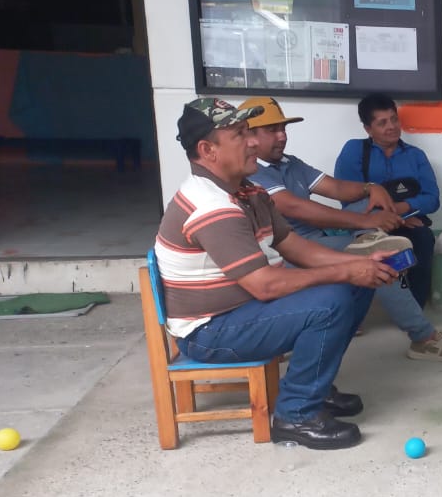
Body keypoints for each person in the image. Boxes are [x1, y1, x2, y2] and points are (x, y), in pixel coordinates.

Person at [155, 98, 402, 449]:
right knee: (331, 301)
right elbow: (265, 285)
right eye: (240, 135)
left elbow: (294, 246)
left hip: (243, 310)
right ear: (208, 150)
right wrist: (345, 273)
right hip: (211, 331)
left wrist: (357, 266)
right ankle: (296, 415)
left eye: (249, 132)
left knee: (358, 285)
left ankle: (315, 386)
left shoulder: (248, 192)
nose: (253, 142)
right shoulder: (211, 205)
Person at [242, 97, 442, 363]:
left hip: (321, 241)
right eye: (272, 130)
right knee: (382, 258)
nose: (282, 136)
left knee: (376, 215)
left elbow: (337, 188)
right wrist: (365, 222)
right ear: (248, 136)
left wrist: (371, 188)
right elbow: (296, 208)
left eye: (283, 128)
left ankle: (369, 243)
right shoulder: (251, 171)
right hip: (289, 253)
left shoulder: (290, 163)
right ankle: (423, 337)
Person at [334, 93, 438, 310]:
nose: (391, 127)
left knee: (423, 238)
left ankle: (414, 308)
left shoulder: (415, 156)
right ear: (368, 129)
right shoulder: (354, 151)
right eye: (382, 123)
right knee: (369, 247)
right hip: (366, 224)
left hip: (408, 222)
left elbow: (432, 199)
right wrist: (388, 218)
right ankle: (355, 310)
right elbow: (348, 199)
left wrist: (400, 213)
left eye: (394, 119)